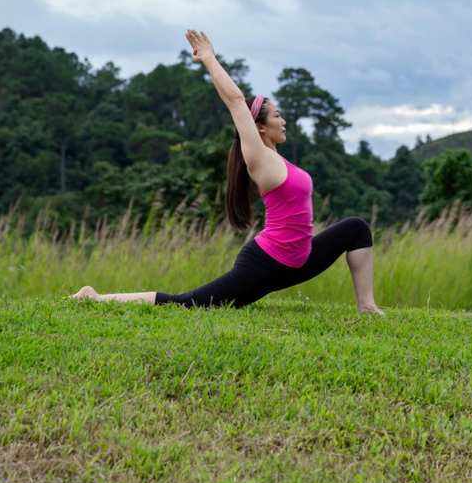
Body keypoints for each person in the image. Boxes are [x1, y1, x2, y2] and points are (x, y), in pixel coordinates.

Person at [69, 28, 384, 315]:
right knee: (187, 305)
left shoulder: (281, 160)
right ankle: (95, 297)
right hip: (267, 263)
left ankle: (366, 305)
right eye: (277, 115)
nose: (284, 120)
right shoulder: (258, 157)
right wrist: (208, 58)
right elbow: (235, 101)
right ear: (259, 127)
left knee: (356, 229)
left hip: (298, 259)